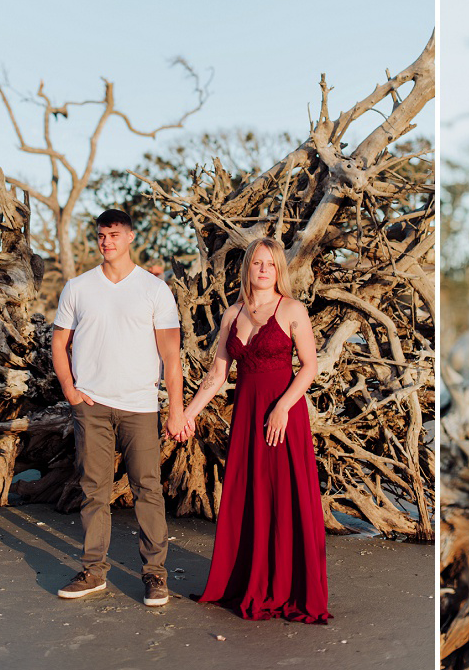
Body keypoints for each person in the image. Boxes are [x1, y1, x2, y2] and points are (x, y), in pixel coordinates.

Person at [185, 237, 331, 623]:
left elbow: (310, 367)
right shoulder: (232, 315)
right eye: (257, 263)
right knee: (251, 495)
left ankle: (287, 585)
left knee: (285, 495)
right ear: (247, 268)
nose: (263, 269)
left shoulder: (293, 309)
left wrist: (283, 406)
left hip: (284, 415)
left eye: (270, 263)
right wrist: (188, 414)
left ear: (279, 269)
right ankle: (251, 579)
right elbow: (217, 374)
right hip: (247, 416)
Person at [52, 209, 192, 608]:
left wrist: (176, 410)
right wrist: (70, 389)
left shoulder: (153, 290)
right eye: (101, 235)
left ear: (131, 236)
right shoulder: (78, 288)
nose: (107, 241)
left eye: (114, 234)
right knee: (93, 491)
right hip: (91, 406)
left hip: (140, 407)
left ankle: (155, 577)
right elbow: (59, 343)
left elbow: (171, 356)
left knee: (147, 490)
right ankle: (93, 571)